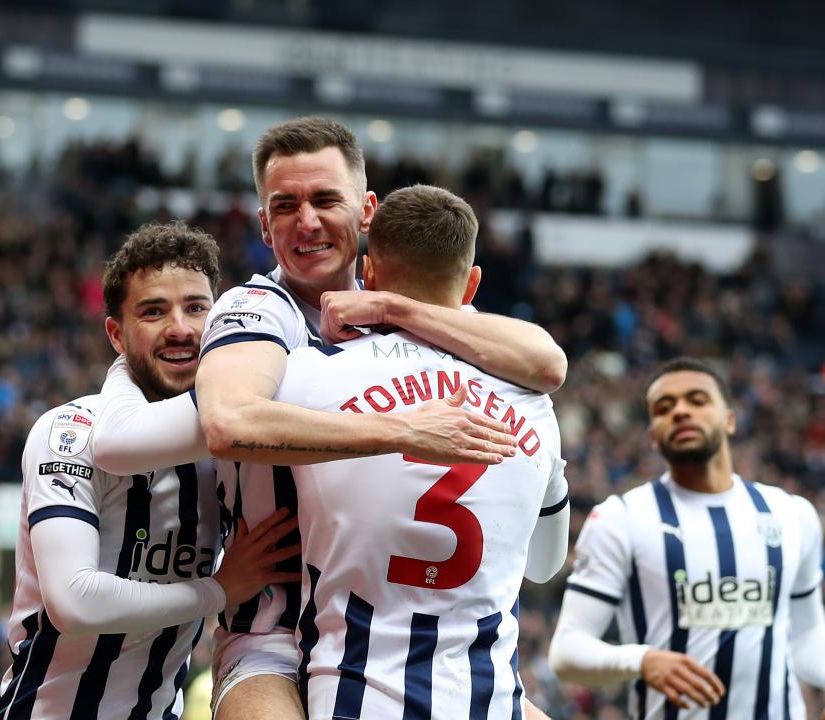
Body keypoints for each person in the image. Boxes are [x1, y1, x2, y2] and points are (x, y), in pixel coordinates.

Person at [91, 116, 567, 719]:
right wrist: (403, 431)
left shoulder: (403, 316)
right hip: (273, 636)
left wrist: (393, 306)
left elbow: (548, 363)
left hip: (390, 635)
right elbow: (229, 422)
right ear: (264, 225)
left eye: (324, 200)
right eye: (285, 206)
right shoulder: (257, 309)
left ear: (366, 212)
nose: (307, 221)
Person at [270, 184, 569, 718]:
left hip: (352, 698)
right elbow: (546, 565)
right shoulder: (532, 402)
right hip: (489, 702)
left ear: (369, 273)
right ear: (472, 284)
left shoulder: (306, 376)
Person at [0, 222, 302, 720]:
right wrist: (219, 590)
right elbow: (75, 602)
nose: (180, 328)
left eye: (196, 308)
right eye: (153, 311)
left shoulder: (228, 450)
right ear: (116, 334)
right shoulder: (69, 431)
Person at [548, 357, 825, 719]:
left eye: (697, 400)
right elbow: (567, 651)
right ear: (652, 435)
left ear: (730, 419)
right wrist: (642, 660)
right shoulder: (621, 518)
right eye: (664, 408)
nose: (680, 411)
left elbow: (806, 636)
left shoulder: (792, 514)